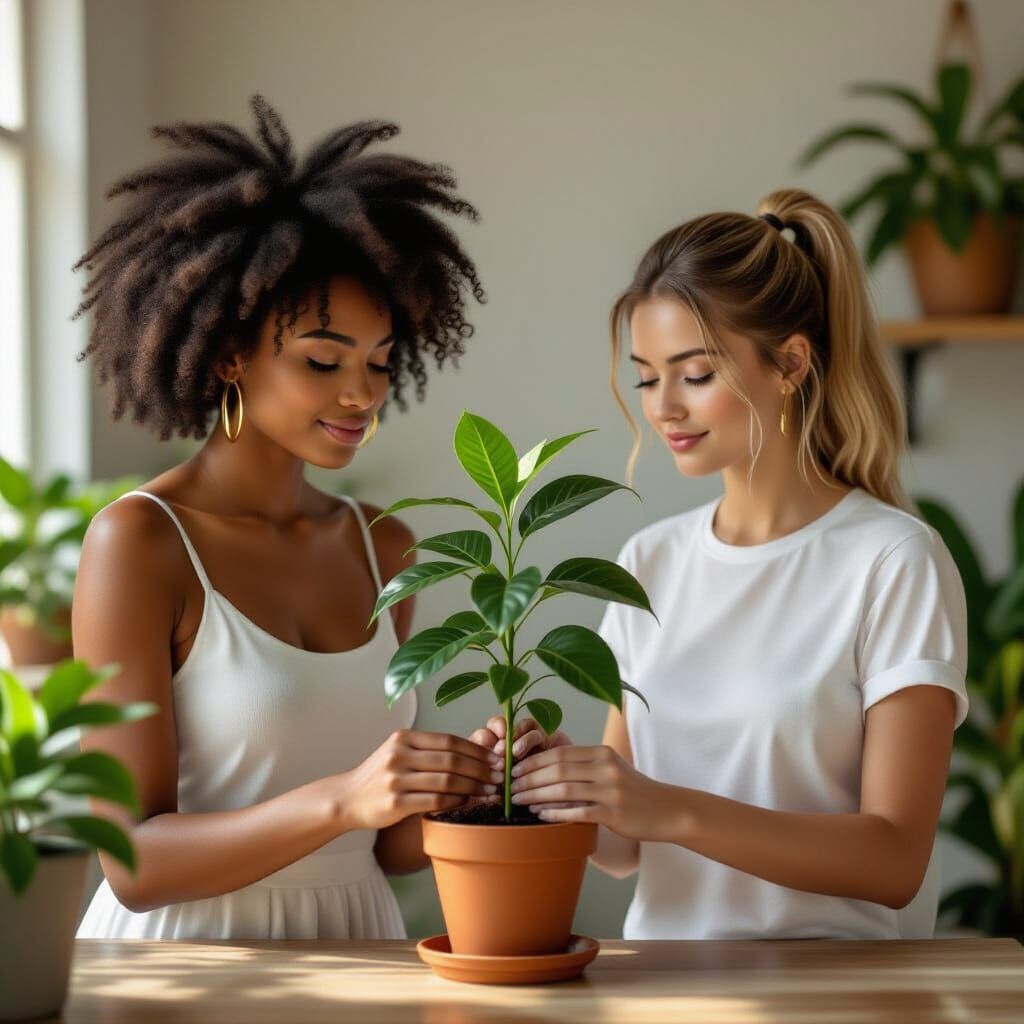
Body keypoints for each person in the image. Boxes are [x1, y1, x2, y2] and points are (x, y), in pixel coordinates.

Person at [475, 189, 969, 941]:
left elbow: (895, 861)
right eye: (646, 377)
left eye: (695, 374)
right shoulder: (650, 561)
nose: (663, 407)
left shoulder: (894, 560)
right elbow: (620, 848)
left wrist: (669, 806)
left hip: (840, 998)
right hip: (669, 993)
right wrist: (560, 783)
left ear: (791, 363)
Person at [73, 96, 504, 940]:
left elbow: (384, 848)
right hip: (179, 971)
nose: (362, 394)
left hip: (357, 949)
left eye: (381, 361)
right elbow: (132, 864)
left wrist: (470, 786)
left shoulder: (385, 545)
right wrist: (340, 798)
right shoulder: (141, 542)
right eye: (322, 359)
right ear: (230, 353)